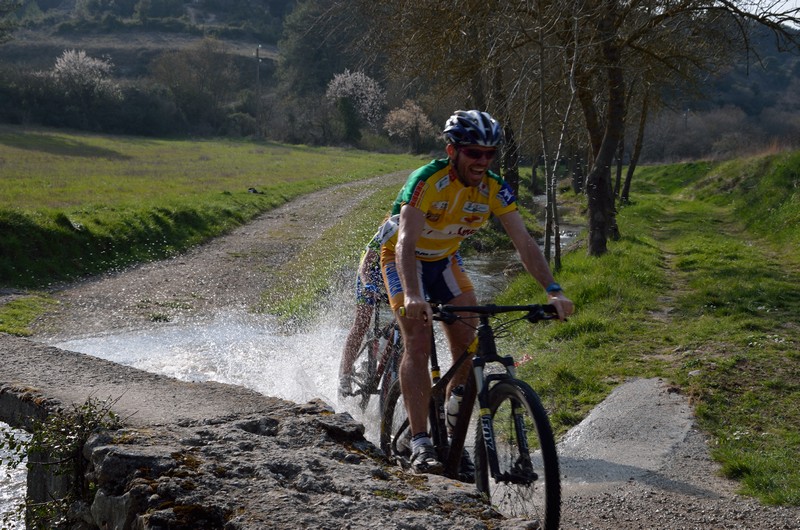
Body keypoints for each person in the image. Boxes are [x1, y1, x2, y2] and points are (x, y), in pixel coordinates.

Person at [378, 110, 575, 475]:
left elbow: (524, 242)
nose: (482, 161)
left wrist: (553, 290)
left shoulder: (494, 188)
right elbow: (405, 241)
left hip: (444, 260)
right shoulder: (427, 180)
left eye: (490, 153)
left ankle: (453, 432)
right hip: (403, 259)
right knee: (417, 341)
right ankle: (420, 441)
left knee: (469, 345)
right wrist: (413, 295)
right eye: (473, 152)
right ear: (452, 151)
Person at [338, 216, 398, 398]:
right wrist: (368, 284)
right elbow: (365, 266)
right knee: (362, 322)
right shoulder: (387, 232)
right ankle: (345, 374)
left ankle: (388, 352)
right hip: (371, 275)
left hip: (392, 275)